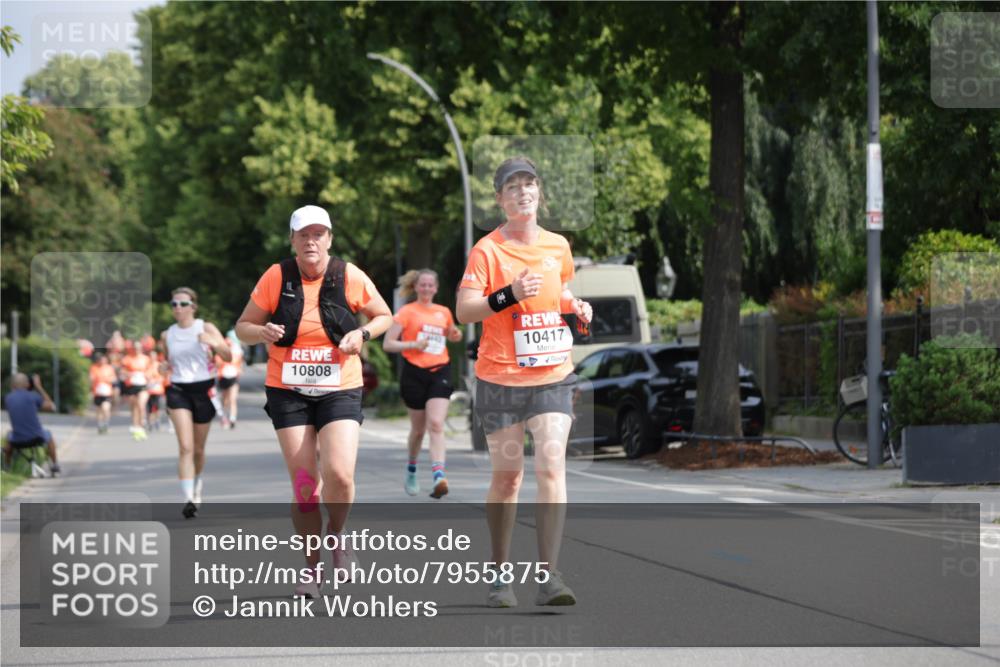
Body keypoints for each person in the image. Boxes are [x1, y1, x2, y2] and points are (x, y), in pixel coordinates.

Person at [235, 204, 392, 598]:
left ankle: (337, 536)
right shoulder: (277, 276)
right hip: (288, 389)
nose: (311, 241)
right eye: (303, 234)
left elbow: (383, 315)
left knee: (339, 475)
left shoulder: (348, 274)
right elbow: (243, 327)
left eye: (319, 234)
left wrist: (364, 335)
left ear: (329, 239)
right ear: (292, 240)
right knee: (306, 486)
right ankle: (311, 568)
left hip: (340, 384)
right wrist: (262, 332)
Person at [456, 157, 592, 608]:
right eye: (512, 186)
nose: (522, 192)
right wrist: (509, 294)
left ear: (539, 192)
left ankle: (550, 577)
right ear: (499, 199)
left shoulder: (558, 246)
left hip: (552, 373)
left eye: (529, 183)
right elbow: (466, 311)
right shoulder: (487, 251)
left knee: (551, 466)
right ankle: (498, 573)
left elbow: (560, 291)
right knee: (508, 479)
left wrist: (576, 306)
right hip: (499, 377)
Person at [382, 269, 462, 498]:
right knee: (418, 430)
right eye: (423, 285)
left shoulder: (444, 312)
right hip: (414, 373)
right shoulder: (406, 312)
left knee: (436, 423)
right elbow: (388, 344)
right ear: (416, 287)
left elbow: (451, 333)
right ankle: (412, 468)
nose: (427, 289)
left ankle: (439, 476)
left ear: (436, 288)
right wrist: (412, 346)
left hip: (440, 371)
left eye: (430, 285)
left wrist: (455, 334)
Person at [161, 287, 231, 518]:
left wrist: (214, 343)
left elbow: (228, 356)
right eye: (174, 304)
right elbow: (166, 362)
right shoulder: (167, 334)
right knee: (185, 447)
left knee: (199, 450)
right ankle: (188, 498)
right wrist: (163, 367)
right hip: (178, 390)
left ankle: (197, 484)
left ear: (193, 306)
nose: (177, 308)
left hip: (204, 389)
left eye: (182, 303)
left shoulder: (205, 327)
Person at [3, 373, 60, 476]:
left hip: (17, 439)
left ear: (12, 385)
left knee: (9, 436)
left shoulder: (8, 398)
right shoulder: (33, 396)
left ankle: (7, 468)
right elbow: (52, 407)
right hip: (37, 437)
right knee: (49, 435)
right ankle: (55, 465)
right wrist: (39, 387)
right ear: (27, 384)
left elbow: (16, 399)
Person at [119, 342, 152, 441]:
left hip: (142, 385)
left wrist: (146, 375)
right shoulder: (127, 359)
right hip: (131, 385)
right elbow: (122, 371)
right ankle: (136, 427)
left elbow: (150, 370)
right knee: (134, 408)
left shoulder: (146, 359)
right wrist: (129, 374)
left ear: (141, 348)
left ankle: (142, 424)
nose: (137, 349)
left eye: (138, 348)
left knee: (141, 405)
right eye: (135, 348)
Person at [214, 334, 243, 430]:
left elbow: (240, 365)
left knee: (233, 399)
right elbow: (217, 365)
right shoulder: (219, 355)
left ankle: (232, 419)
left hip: (233, 378)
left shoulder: (236, 354)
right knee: (225, 400)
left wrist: (239, 370)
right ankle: (224, 416)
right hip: (223, 378)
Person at [89, 353, 117, 434]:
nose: (102, 361)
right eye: (101, 360)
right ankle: (100, 424)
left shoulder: (109, 368)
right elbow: (91, 378)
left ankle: (106, 423)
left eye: (104, 360)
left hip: (107, 392)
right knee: (99, 410)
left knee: (106, 408)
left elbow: (114, 378)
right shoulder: (94, 368)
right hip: (97, 392)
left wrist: (107, 379)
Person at [145, 350, 166, 432]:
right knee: (149, 407)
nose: (152, 358)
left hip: (158, 390)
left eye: (153, 356)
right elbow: (144, 375)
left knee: (157, 407)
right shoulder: (147, 365)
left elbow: (163, 375)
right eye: (150, 356)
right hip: (149, 390)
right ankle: (150, 422)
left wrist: (156, 380)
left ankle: (157, 421)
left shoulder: (159, 365)